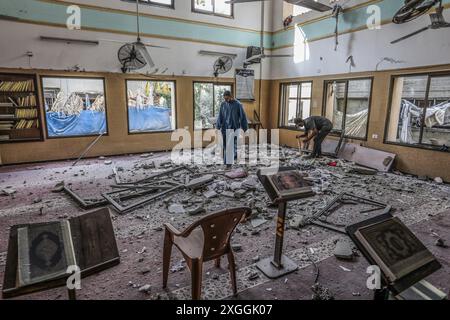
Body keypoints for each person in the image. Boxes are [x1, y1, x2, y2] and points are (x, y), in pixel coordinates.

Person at [216, 91, 248, 166]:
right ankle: (232, 157)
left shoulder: (238, 105)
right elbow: (220, 115)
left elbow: (242, 117)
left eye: (227, 98)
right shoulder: (223, 104)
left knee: (230, 145)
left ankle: (228, 163)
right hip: (224, 128)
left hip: (234, 128)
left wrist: (245, 128)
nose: (226, 100)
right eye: (225, 99)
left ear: (231, 96)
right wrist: (218, 126)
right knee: (225, 145)